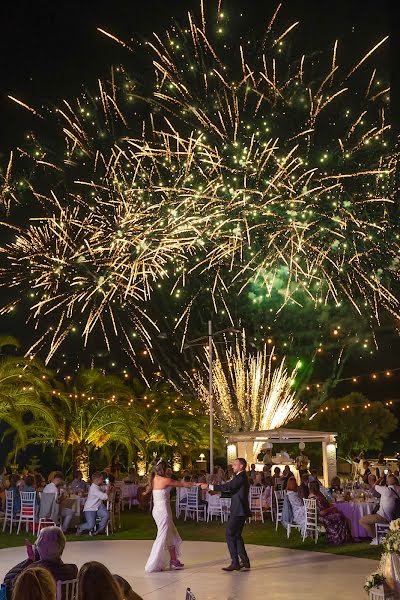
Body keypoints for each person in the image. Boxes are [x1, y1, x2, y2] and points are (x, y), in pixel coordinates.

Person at [145, 459, 196, 572]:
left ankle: (173, 560)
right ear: (164, 469)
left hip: (158, 510)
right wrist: (195, 484)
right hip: (163, 511)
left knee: (170, 534)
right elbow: (182, 484)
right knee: (162, 536)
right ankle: (153, 563)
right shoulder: (165, 480)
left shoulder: (154, 479)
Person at [201, 457, 251, 572]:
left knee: (229, 534)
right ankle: (245, 561)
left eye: (235, 464)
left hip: (239, 510)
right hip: (240, 510)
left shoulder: (240, 476)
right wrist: (217, 493)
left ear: (241, 466)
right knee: (236, 535)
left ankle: (235, 562)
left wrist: (209, 486)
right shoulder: (241, 477)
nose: (232, 466)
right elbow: (234, 492)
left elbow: (229, 487)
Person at [3, 526, 77, 597]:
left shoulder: (34, 572)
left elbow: (9, 582)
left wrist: (30, 560)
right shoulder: (72, 570)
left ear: (40, 546)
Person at [359, 474, 400, 543]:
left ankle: (376, 538)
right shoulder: (398, 489)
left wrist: (380, 478)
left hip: (384, 517)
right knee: (371, 516)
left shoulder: (386, 490)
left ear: (387, 482)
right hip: (396, 517)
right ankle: (380, 536)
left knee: (362, 521)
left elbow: (374, 486)